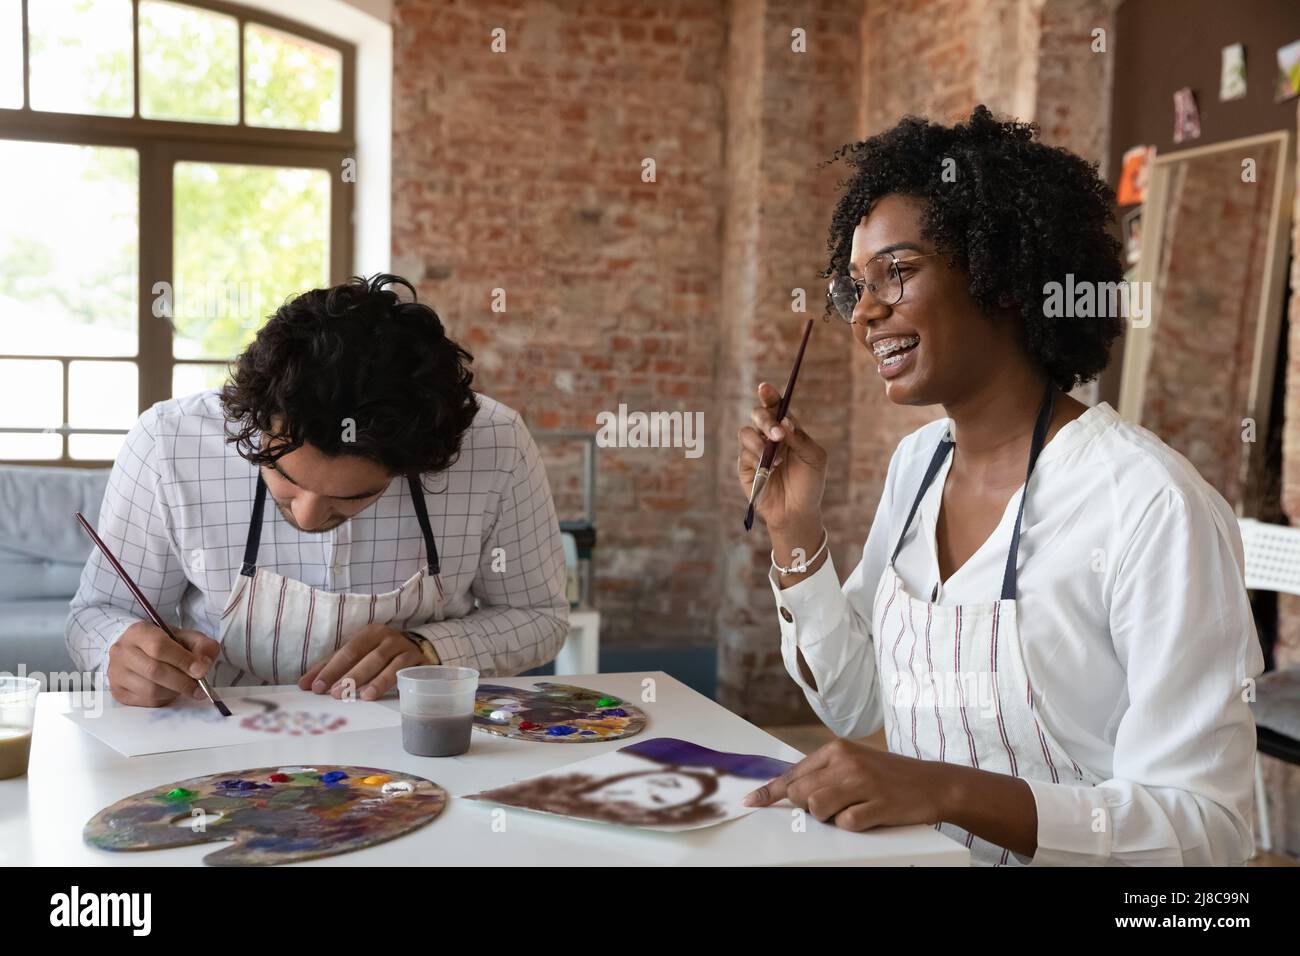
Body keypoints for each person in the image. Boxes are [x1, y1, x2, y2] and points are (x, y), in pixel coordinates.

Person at [736, 106, 1265, 866]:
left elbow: (1207, 834)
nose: (868, 315)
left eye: (900, 271)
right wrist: (795, 533)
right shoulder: (918, 468)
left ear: (1004, 279)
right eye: (858, 287)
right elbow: (856, 705)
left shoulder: (1149, 506)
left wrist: (945, 791)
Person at [68, 274, 569, 706]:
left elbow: (539, 617)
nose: (307, 517)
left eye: (351, 498)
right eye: (285, 478)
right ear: (254, 420)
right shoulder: (169, 441)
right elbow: (96, 614)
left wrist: (431, 649)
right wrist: (123, 649)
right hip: (219, 739)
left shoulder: (496, 444)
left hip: (416, 733)